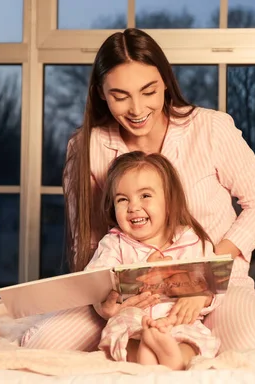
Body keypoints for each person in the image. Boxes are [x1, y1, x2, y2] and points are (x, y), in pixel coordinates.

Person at [20, 28, 255, 353]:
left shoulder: (211, 128)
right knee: (42, 345)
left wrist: (205, 274)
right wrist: (103, 304)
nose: (136, 109)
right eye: (120, 95)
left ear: (165, 81)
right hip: (131, 298)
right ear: (101, 93)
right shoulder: (86, 146)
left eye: (148, 91)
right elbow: (89, 239)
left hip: (214, 286)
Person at [85, 151, 222, 370]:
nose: (133, 207)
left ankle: (173, 356)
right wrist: (107, 306)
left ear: (169, 202)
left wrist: (200, 297)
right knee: (118, 334)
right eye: (122, 199)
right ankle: (144, 356)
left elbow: (216, 282)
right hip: (133, 320)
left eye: (145, 196)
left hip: (176, 319)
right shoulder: (114, 243)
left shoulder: (190, 240)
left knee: (194, 338)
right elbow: (95, 282)